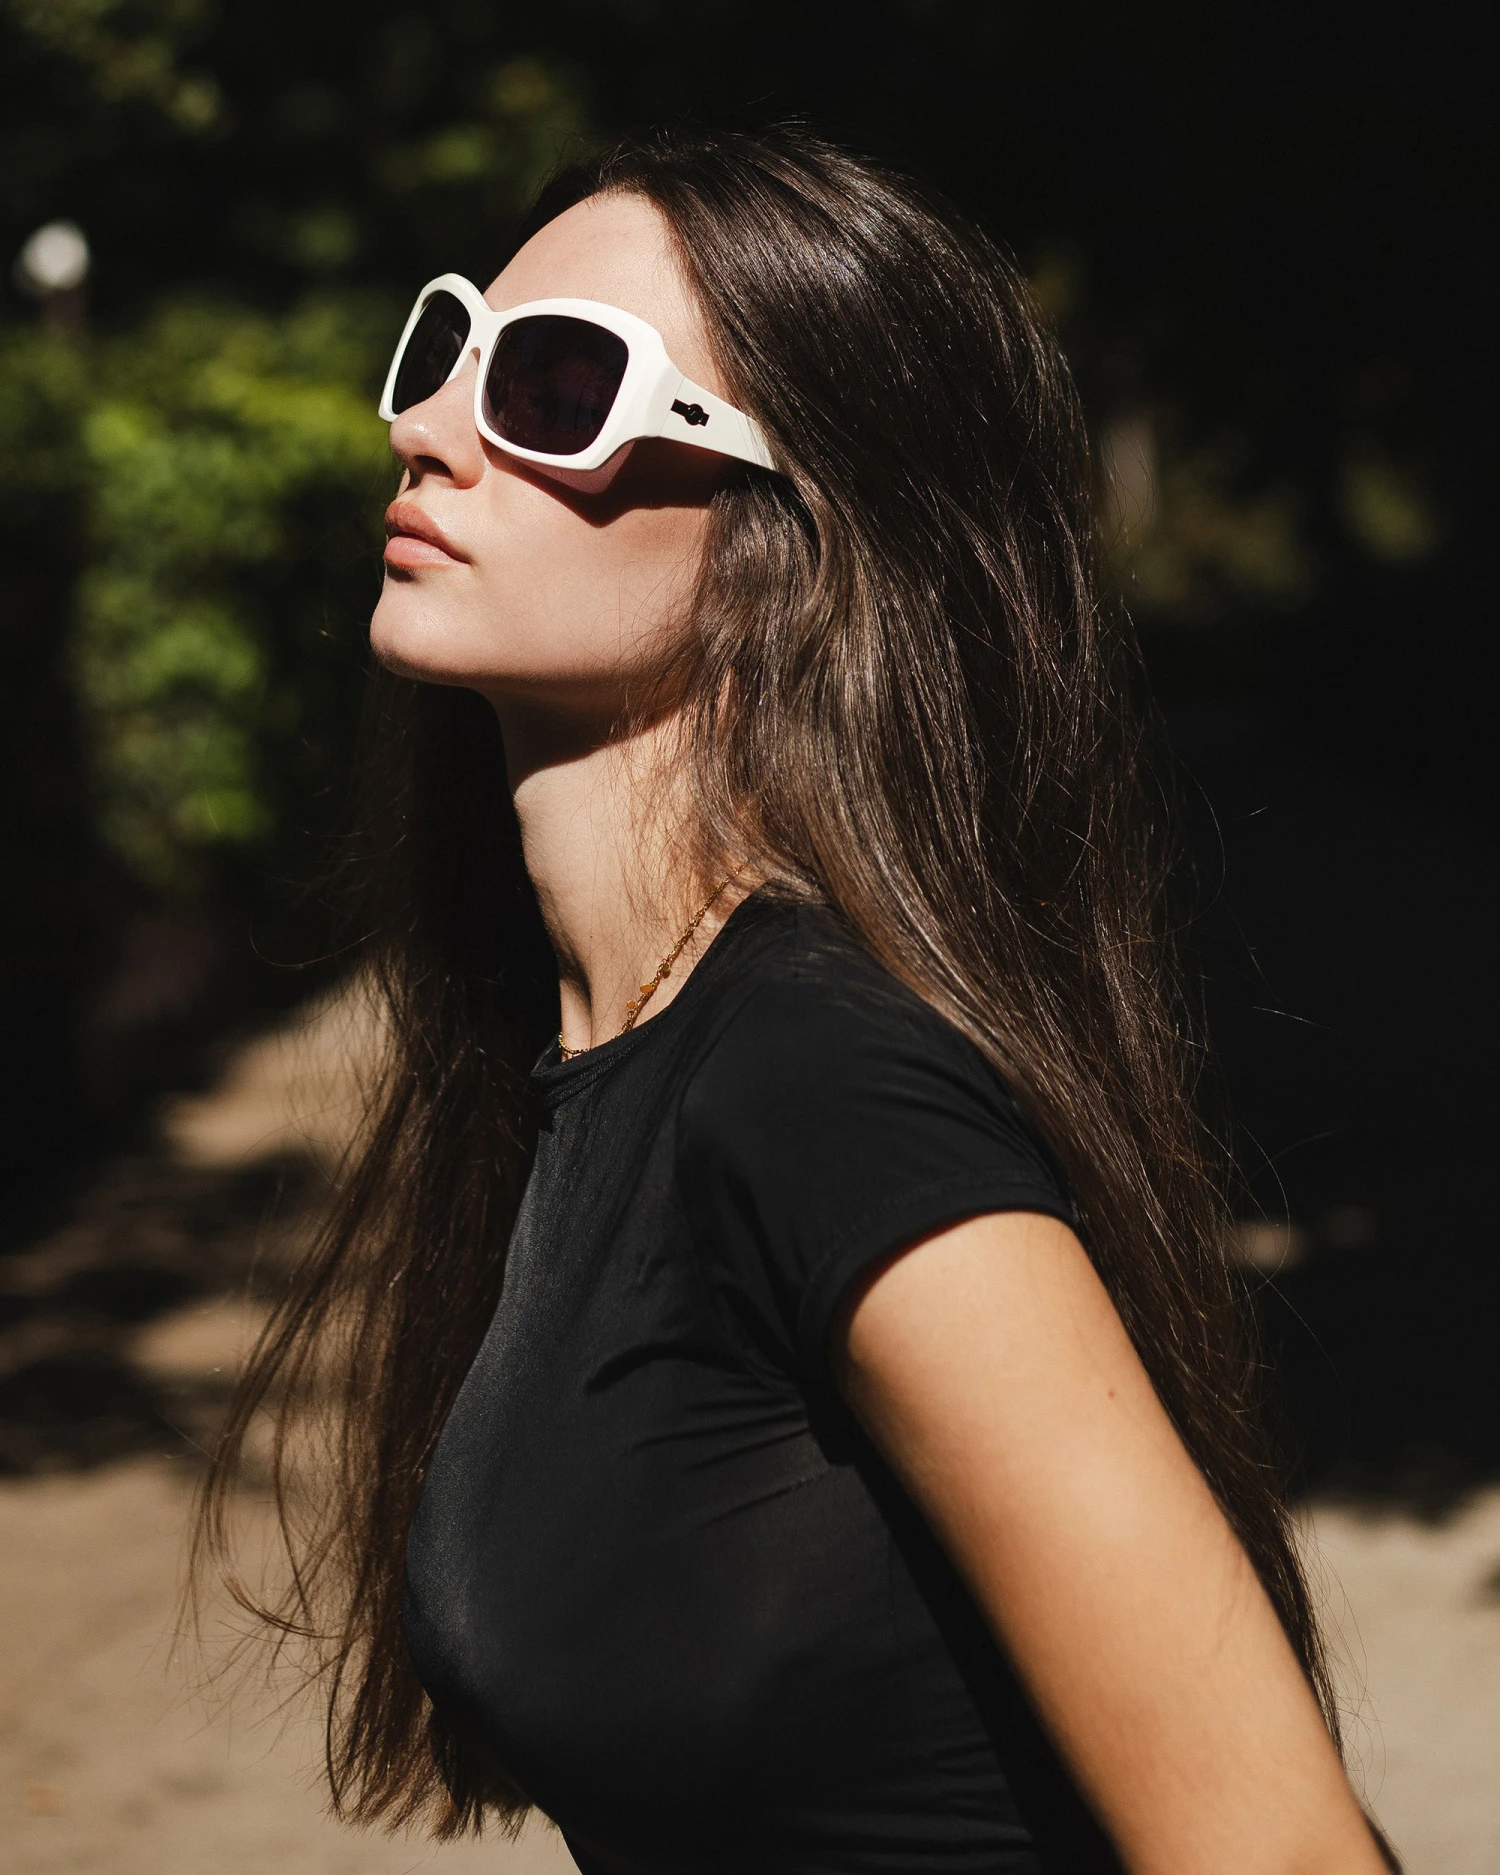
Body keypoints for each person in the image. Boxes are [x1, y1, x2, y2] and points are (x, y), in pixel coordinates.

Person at [200, 128, 1396, 1874]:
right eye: (445, 345)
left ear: (797, 536)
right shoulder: (596, 1057)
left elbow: (1276, 1848)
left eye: (553, 386)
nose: (430, 425)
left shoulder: (821, 1083)